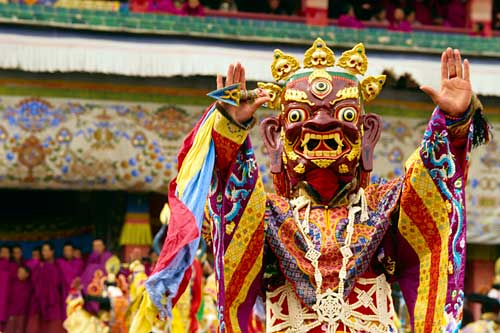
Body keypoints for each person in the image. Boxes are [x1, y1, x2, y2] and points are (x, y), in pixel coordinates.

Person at [131, 38, 490, 333]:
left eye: (345, 115)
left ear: (368, 133)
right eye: (300, 117)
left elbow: (431, 185)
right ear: (275, 137)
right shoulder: (268, 216)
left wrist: (454, 121)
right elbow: (231, 197)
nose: (321, 123)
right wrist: (229, 131)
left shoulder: (387, 206)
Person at [29, 242, 65, 333]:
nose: (44, 253)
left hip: (55, 303)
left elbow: (61, 282)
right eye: (43, 251)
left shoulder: (59, 264)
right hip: (41, 304)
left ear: (52, 252)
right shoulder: (40, 266)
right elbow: (34, 283)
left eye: (46, 250)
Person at [80, 238, 113, 315]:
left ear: (104, 246)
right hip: (91, 291)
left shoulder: (109, 258)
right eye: (94, 246)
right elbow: (86, 275)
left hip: (105, 292)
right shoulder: (91, 259)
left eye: (99, 246)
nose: (97, 248)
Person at [57, 242, 84, 313]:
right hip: (64, 292)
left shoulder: (79, 263)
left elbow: (83, 277)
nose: (67, 252)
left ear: (73, 252)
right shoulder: (60, 262)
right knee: (65, 312)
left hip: (76, 292)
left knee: (76, 312)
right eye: (66, 251)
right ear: (63, 252)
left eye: (69, 250)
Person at [5, 266, 32, 333]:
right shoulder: (13, 283)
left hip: (23, 314)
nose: (19, 274)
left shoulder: (29, 286)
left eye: (22, 272)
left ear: (27, 274)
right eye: (18, 272)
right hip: (12, 313)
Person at [0, 245, 10, 332]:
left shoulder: (12, 266)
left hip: (9, 305)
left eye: (6, 252)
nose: (4, 254)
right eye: (2, 252)